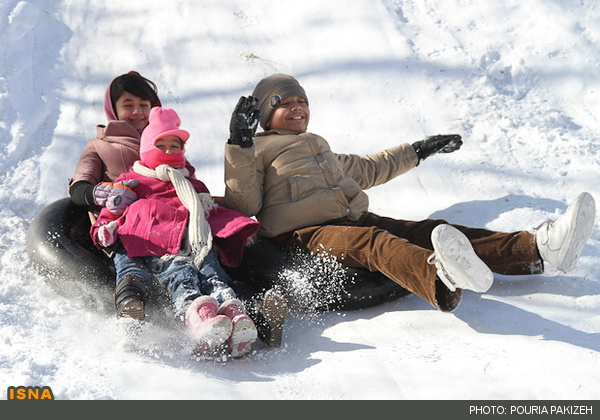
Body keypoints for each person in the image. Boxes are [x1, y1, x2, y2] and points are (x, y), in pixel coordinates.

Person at [223, 73, 596, 313]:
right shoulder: (255, 151)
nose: (297, 107)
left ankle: (537, 249)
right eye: (284, 103)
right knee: (375, 242)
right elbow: (245, 204)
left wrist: (420, 149)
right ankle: (440, 281)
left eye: (301, 101)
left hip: (353, 219)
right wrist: (238, 144)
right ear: (264, 115)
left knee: (429, 230)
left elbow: (371, 167)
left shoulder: (321, 148)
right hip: (306, 237)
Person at [69, 71, 288, 348]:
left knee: (216, 263)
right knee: (168, 271)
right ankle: (146, 310)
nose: (137, 111)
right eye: (128, 104)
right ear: (113, 108)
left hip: (179, 225)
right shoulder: (101, 144)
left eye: (143, 104)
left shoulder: (173, 149)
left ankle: (253, 319)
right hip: (132, 226)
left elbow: (190, 190)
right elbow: (79, 187)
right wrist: (102, 194)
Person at [91, 107, 261, 357]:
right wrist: (105, 230)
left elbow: (211, 213)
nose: (170, 151)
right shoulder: (132, 181)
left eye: (175, 145)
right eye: (163, 146)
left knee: (213, 273)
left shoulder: (192, 183)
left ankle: (235, 317)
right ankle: (199, 320)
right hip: (159, 245)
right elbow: (112, 213)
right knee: (181, 274)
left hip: (197, 243)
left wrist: (236, 228)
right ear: (148, 148)